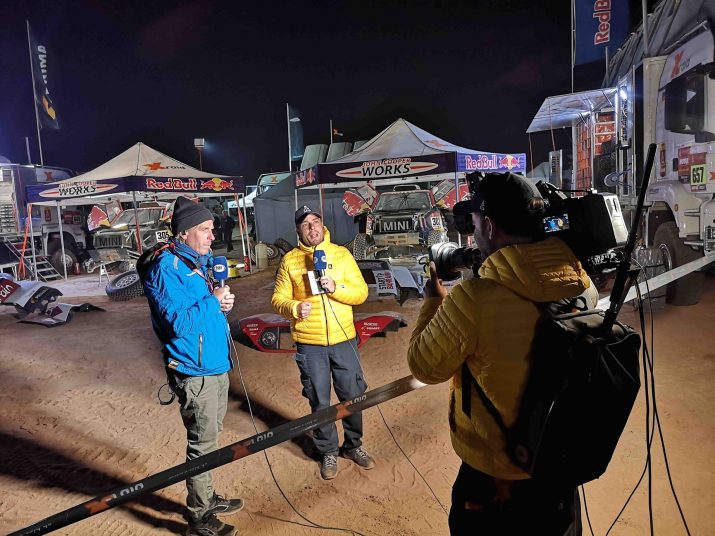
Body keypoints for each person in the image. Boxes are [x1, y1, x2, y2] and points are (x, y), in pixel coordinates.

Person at [407, 173, 596, 536]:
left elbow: (423, 366)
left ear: (490, 226)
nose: (474, 231)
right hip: (557, 466)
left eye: (475, 222)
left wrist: (434, 301)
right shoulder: (580, 281)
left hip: (496, 475)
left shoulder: (475, 299)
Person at [143, 196, 243, 536]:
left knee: (210, 440)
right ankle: (200, 518)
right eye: (204, 229)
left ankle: (207, 497)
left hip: (214, 365)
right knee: (202, 445)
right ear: (183, 233)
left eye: (212, 229)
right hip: (195, 371)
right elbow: (179, 324)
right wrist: (212, 302)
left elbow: (201, 311)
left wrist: (221, 304)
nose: (212, 236)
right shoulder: (167, 268)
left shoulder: (195, 262)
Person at [271, 205, 372, 480]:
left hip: (344, 339)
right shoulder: (290, 261)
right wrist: (294, 308)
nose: (312, 228)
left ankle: (354, 445)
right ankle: (328, 451)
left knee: (353, 395)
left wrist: (336, 288)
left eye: (315, 222)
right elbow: (278, 299)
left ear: (322, 224)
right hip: (310, 343)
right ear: (298, 230)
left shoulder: (341, 255)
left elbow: (361, 292)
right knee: (320, 400)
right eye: (306, 224)